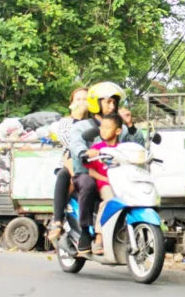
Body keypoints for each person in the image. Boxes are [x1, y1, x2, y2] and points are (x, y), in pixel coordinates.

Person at [68, 82, 144, 254]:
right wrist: (84, 152)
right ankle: (87, 233)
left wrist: (130, 125)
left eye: (114, 102)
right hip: (88, 172)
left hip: (115, 175)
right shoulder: (82, 126)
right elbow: (75, 143)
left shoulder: (121, 128)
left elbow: (138, 146)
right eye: (108, 101)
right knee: (87, 184)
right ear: (96, 103)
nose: (112, 106)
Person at [48, 87, 89, 242]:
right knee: (64, 175)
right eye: (78, 99)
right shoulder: (65, 123)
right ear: (71, 104)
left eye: (85, 99)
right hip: (71, 161)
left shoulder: (94, 121)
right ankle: (57, 219)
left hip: (93, 163)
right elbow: (69, 142)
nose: (82, 103)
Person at [84, 113, 123, 255]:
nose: (103, 130)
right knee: (109, 200)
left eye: (107, 128)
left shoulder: (123, 149)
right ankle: (99, 239)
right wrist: (106, 180)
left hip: (123, 184)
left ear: (118, 131)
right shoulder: (97, 148)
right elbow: (91, 172)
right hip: (105, 184)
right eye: (102, 127)